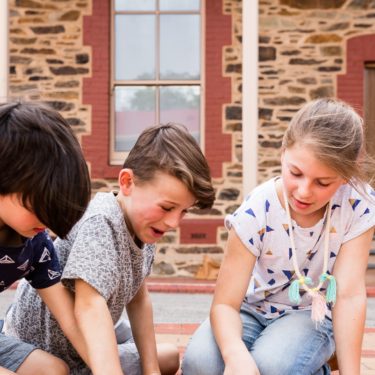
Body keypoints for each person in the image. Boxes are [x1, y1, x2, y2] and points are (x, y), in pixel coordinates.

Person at [182, 98, 375, 375]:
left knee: (273, 367)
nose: (304, 191)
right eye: (295, 173)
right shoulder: (256, 211)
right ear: (283, 153)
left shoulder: (358, 206)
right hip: (250, 310)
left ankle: (312, 363)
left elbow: (348, 296)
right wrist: (235, 356)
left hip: (310, 315)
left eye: (323, 182)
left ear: (345, 178)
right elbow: (224, 304)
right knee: (201, 364)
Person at [5, 123, 216, 375]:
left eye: (184, 211)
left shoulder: (144, 224)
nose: (173, 222)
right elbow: (89, 304)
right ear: (127, 182)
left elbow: (139, 298)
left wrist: (151, 372)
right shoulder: (102, 221)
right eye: (167, 207)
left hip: (89, 343)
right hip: (47, 348)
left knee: (167, 358)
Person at [0, 101, 91, 374]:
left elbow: (70, 320)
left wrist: (107, 368)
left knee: (55, 370)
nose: (48, 219)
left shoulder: (36, 242)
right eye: (39, 205)